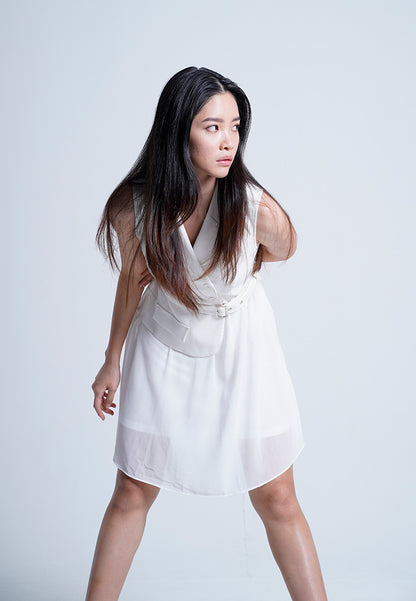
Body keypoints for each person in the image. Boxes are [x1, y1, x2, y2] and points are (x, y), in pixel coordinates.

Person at [86, 66, 328, 601]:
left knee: (277, 494)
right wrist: (111, 359)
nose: (228, 141)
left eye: (235, 127)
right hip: (163, 342)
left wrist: (237, 268)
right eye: (212, 126)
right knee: (131, 488)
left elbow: (286, 248)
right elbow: (132, 280)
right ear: (179, 131)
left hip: (244, 348)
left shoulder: (253, 205)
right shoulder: (135, 206)